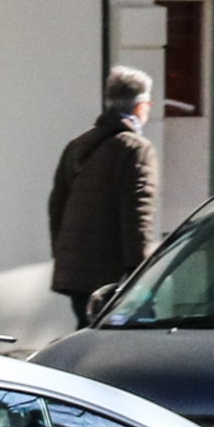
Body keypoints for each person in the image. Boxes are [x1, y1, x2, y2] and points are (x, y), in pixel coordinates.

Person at [48, 65, 159, 322]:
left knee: (88, 336)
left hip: (76, 275)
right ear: (140, 106)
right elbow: (138, 214)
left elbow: (56, 208)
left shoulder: (78, 146)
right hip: (113, 275)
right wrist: (140, 270)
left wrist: (65, 256)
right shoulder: (136, 149)